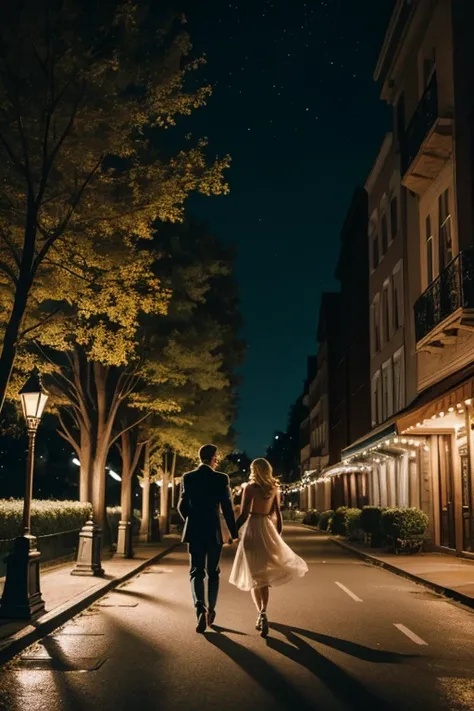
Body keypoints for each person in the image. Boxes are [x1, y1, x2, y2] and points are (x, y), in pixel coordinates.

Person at [229, 458, 308, 637]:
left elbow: (243, 514)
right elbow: (278, 514)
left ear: (255, 470)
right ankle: (263, 611)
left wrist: (233, 533)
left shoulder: (249, 488)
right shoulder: (274, 488)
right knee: (263, 574)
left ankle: (260, 614)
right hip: (267, 528)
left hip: (252, 529)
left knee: (255, 575)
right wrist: (277, 535)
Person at [178, 444, 238, 633]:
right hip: (214, 531)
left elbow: (181, 506)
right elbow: (227, 508)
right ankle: (211, 609)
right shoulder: (221, 478)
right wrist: (233, 533)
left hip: (194, 530)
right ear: (213, 458)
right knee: (213, 572)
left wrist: (191, 519)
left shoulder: (188, 477)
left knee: (196, 571)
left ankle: (199, 609)